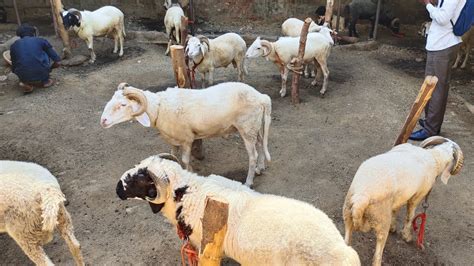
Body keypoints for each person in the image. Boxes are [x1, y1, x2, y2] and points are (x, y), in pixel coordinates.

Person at [409, 0, 465, 141]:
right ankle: (432, 123)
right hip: (442, 43)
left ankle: (430, 129)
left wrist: (427, 4)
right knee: (436, 87)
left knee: (435, 88)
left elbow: (442, 18)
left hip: (442, 44)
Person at [10, 24, 61, 93]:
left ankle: (26, 83)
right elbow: (57, 60)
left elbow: (14, 66)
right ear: (32, 33)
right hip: (42, 72)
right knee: (44, 52)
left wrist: (19, 74)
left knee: (20, 61)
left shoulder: (13, 45)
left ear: (20, 35)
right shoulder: (41, 40)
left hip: (23, 75)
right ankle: (45, 81)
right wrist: (50, 68)